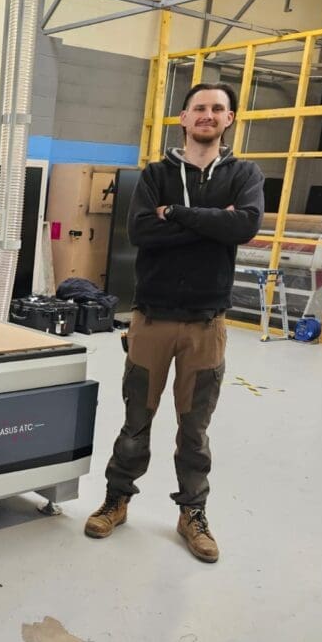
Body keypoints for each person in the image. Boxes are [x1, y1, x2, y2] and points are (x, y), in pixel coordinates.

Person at [84, 82, 264, 563]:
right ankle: (117, 500)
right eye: (199, 108)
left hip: (207, 323)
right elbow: (141, 231)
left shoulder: (244, 173)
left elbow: (245, 225)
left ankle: (193, 514)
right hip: (152, 319)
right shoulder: (156, 173)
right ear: (183, 118)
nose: (208, 115)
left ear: (229, 119)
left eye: (217, 109)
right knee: (135, 421)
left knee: (195, 428)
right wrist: (213, 223)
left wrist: (178, 214)